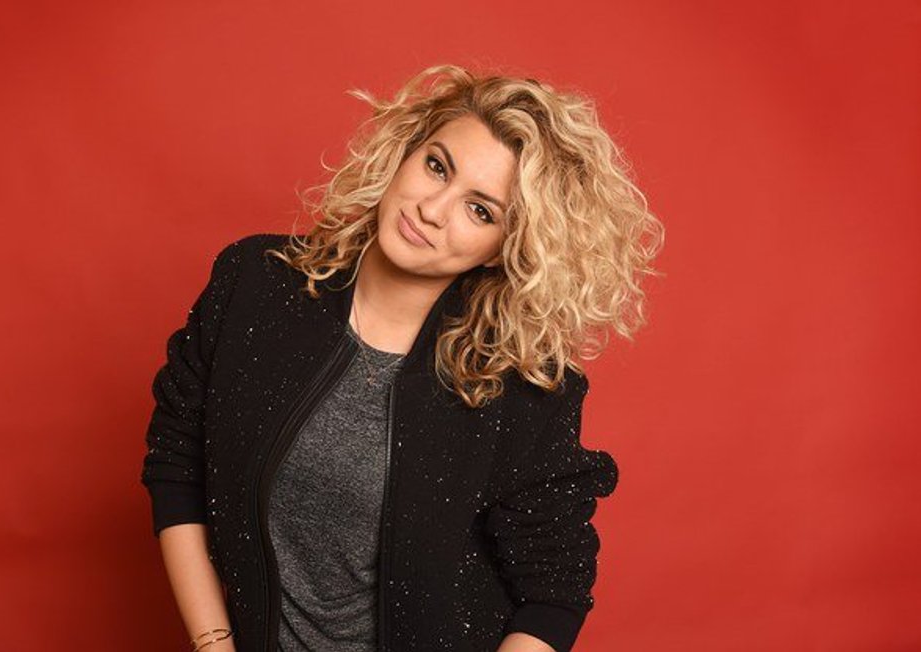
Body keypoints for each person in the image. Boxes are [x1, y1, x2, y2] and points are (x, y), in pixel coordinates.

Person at [140, 64, 663, 652]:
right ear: (406, 151)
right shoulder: (256, 285)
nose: (433, 209)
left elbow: (554, 591)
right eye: (437, 166)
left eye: (481, 210)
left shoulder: (519, 384)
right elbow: (178, 464)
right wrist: (214, 644)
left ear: (504, 249)